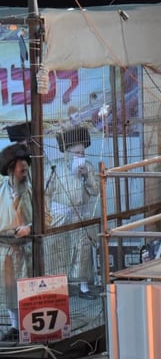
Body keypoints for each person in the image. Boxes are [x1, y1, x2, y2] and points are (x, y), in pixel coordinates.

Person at [44, 128, 100, 296]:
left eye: (82, 153)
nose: (80, 156)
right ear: (67, 153)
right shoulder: (54, 167)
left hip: (81, 214)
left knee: (82, 250)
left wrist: (86, 177)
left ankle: (83, 286)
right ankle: (57, 288)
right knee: (57, 250)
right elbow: (46, 193)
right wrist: (47, 214)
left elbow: (96, 191)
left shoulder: (88, 167)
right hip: (58, 215)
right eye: (76, 153)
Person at [0, 142, 32, 341]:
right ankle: (14, 326)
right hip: (5, 249)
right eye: (21, 171)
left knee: (26, 288)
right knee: (9, 288)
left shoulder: (32, 191)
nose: (24, 174)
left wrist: (30, 228)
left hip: (27, 248)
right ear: (11, 170)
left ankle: (28, 326)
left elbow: (46, 218)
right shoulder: (0, 190)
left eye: (26, 170)